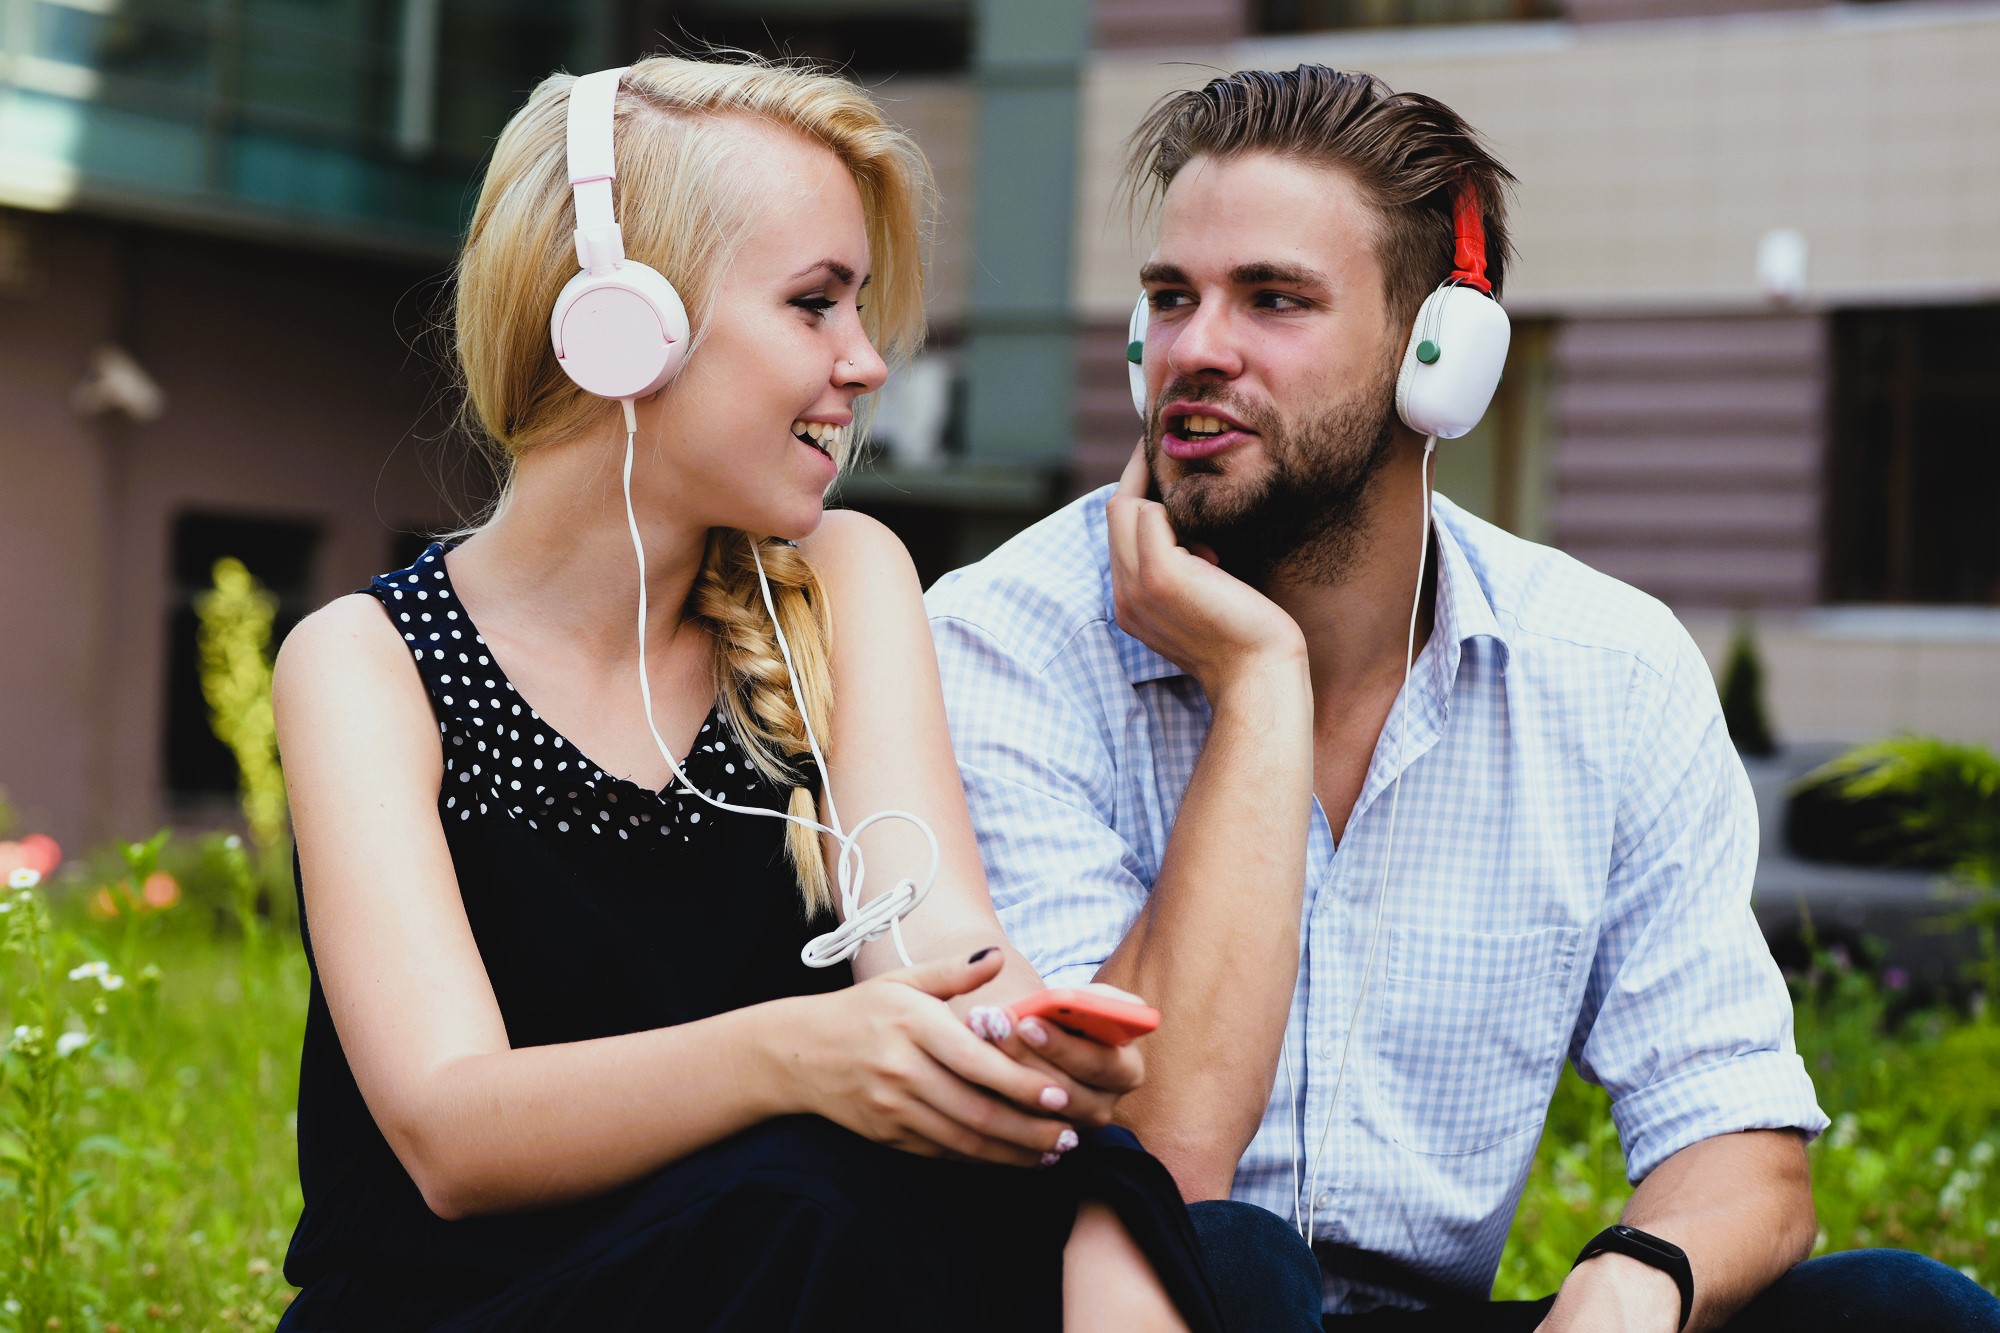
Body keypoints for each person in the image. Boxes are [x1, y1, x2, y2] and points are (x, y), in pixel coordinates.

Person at [927, 65, 2000, 1332]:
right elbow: (1152, 1166)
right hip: (1127, 1300)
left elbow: (1743, 1153)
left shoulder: (1606, 668)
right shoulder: (1003, 639)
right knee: (1233, 1259)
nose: (1194, 349)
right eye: (1170, 299)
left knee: (1899, 1311)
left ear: (1440, 356)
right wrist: (1258, 690)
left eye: (1272, 299)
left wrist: (1628, 1282)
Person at [272, 54, 1227, 1333]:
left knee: (1217, 1255)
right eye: (814, 304)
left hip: (790, 1263)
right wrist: (797, 1055)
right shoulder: (364, 663)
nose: (866, 362)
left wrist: (1022, 1036)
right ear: (621, 320)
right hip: (480, 1302)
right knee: (821, 1191)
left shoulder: (840, 579)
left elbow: (938, 947)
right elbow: (450, 1130)